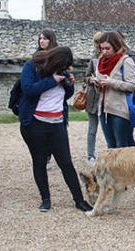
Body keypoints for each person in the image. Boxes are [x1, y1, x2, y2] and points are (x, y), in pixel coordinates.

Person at [18, 46, 92, 212]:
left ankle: (79, 200)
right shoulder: (32, 66)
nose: (63, 70)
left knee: (66, 162)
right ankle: (45, 199)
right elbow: (28, 89)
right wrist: (53, 80)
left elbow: (64, 96)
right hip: (36, 122)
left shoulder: (62, 71)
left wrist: (69, 84)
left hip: (57, 122)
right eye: (62, 67)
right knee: (39, 161)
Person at [95, 31, 135, 148]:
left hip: (120, 110)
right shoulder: (101, 62)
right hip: (104, 108)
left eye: (107, 48)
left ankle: (125, 167)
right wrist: (98, 84)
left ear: (116, 46)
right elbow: (102, 88)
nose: (104, 51)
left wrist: (111, 82)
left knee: (121, 146)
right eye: (102, 48)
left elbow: (132, 85)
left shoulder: (126, 61)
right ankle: (113, 167)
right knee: (110, 146)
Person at [35, 29, 59, 170]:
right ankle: (45, 158)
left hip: (55, 102)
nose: (42, 41)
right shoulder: (36, 58)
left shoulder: (58, 57)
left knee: (57, 134)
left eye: (45, 38)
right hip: (40, 101)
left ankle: (58, 157)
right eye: (40, 38)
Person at [83, 32, 102, 166]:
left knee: (109, 130)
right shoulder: (93, 58)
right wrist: (91, 79)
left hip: (106, 99)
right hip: (93, 99)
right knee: (92, 129)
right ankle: (91, 155)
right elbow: (86, 77)